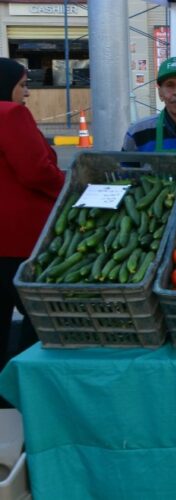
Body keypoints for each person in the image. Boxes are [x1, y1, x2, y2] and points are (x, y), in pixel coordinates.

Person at [0, 58, 65, 365]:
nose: (26, 94)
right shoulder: (11, 114)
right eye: (23, 85)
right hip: (18, 237)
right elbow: (37, 172)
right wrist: (69, 189)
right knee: (41, 314)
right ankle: (22, 383)